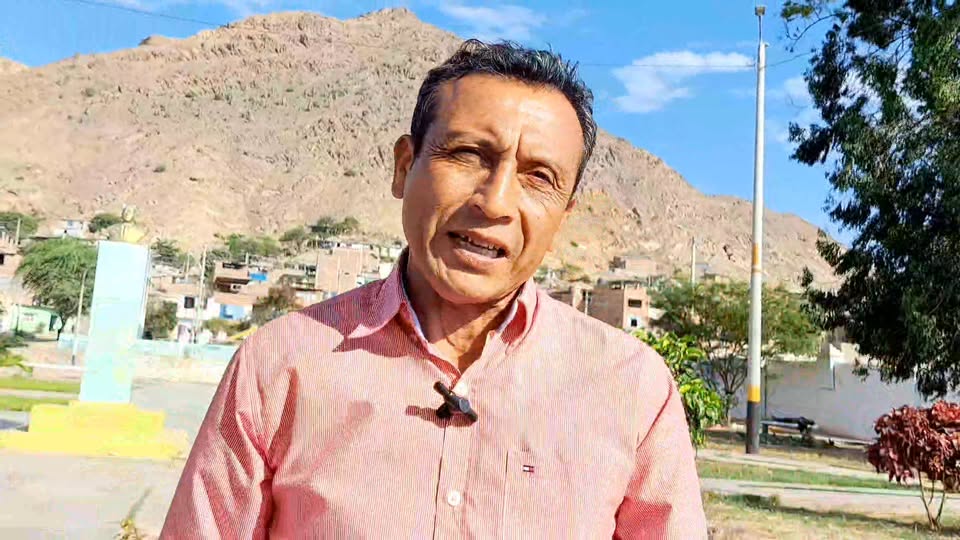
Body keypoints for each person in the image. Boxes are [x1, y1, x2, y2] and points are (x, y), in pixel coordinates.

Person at [161, 39, 706, 539]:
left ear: (564, 215)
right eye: (468, 155)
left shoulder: (631, 388)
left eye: (539, 177)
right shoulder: (280, 364)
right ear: (404, 167)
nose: (495, 202)